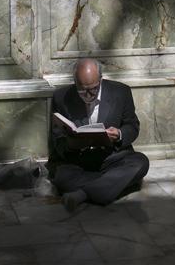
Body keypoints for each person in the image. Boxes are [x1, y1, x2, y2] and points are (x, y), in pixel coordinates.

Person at [48, 58, 149, 211]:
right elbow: (57, 138)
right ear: (75, 82)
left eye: (93, 89)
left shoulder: (121, 92)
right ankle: (111, 184)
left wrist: (119, 134)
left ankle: (83, 193)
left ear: (101, 80)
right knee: (61, 176)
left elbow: (132, 126)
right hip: (78, 160)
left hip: (111, 157)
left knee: (141, 162)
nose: (88, 95)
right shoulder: (61, 97)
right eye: (82, 90)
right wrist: (70, 144)